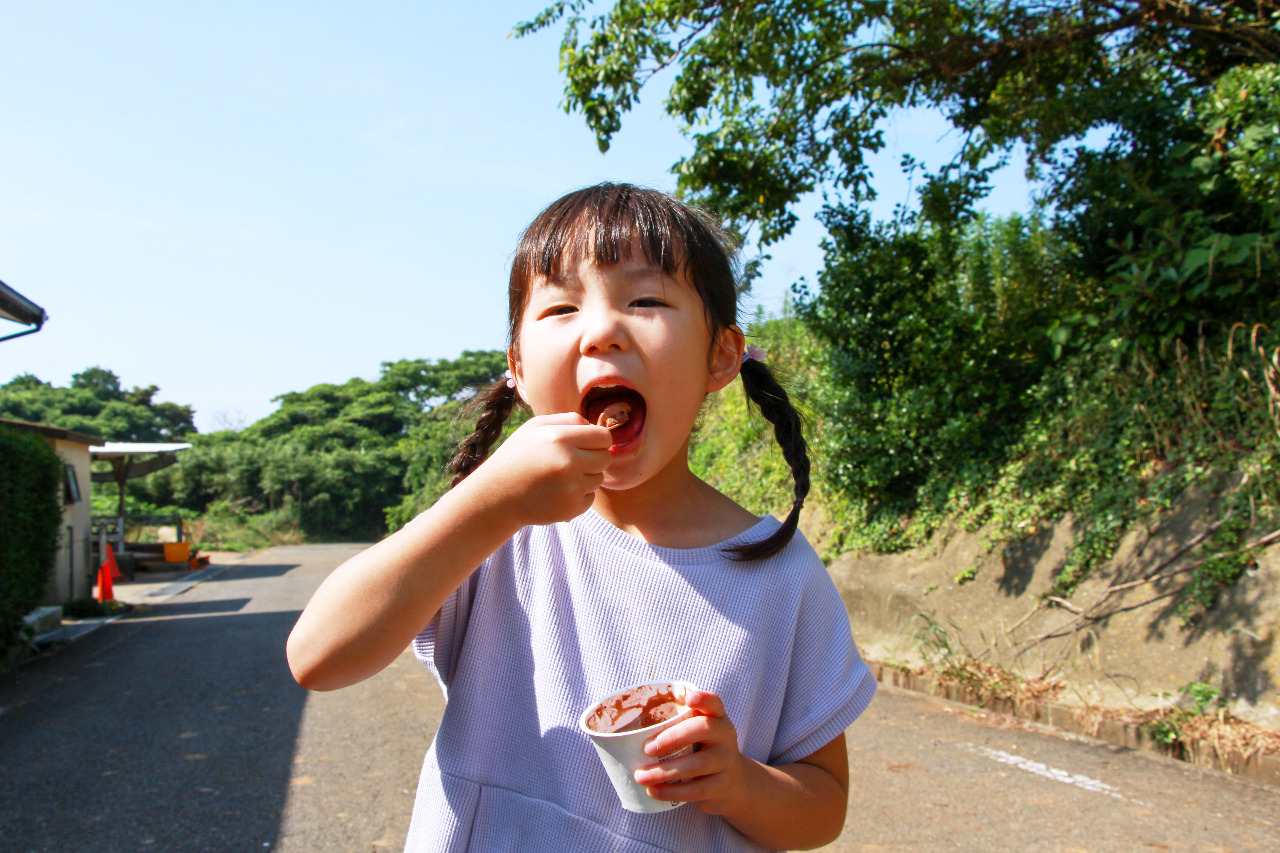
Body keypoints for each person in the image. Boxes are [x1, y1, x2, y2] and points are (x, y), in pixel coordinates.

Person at [286, 183, 877, 852]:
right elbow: (317, 656)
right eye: (561, 307)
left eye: (646, 299)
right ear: (518, 370)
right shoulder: (497, 532)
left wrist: (737, 781)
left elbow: (822, 807)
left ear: (720, 356)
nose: (601, 331)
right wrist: (487, 501)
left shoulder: (781, 574)